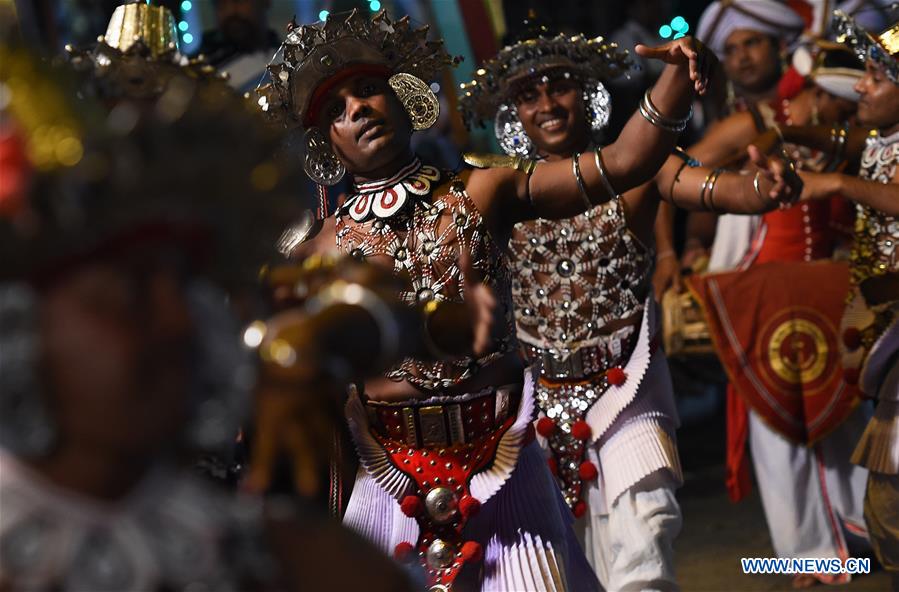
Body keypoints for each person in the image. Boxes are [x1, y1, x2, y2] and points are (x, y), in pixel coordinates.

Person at [258, 8, 713, 590]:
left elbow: (624, 163)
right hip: (387, 479)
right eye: (337, 111)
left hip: (503, 459)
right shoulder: (313, 252)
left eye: (369, 91)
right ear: (327, 142)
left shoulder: (484, 189)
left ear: (404, 99)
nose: (359, 110)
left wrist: (674, 80)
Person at [457, 21, 802, 591]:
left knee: (643, 541)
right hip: (534, 403)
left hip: (627, 385)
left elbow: (715, 188)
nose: (546, 103)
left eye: (560, 86)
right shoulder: (497, 187)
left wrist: (767, 191)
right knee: (555, 564)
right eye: (527, 94)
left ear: (587, 95)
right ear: (511, 113)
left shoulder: (637, 169)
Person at [796, 11, 899, 588]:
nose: (860, 86)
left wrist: (836, 184)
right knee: (887, 517)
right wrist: (779, 133)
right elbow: (838, 139)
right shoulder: (881, 139)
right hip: (887, 333)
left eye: (876, 77)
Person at [197, 0, 279, 92]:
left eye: (238, 1)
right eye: (221, 4)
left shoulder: (289, 57)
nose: (230, 11)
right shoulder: (203, 73)